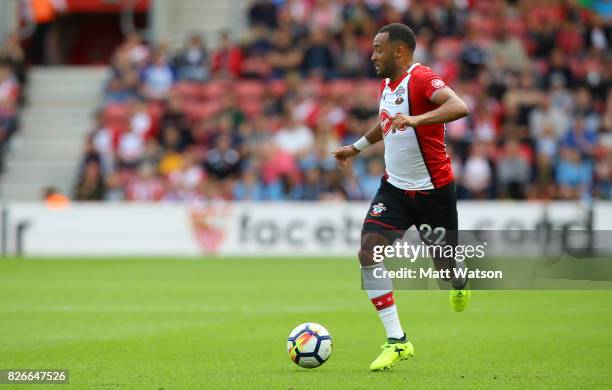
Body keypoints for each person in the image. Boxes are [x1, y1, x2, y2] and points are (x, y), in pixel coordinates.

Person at [331, 23, 470, 372]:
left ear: (399, 51)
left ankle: (458, 279)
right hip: (394, 189)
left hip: (433, 192)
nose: (372, 54)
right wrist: (357, 147)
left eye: (378, 48)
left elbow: (459, 106)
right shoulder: (388, 85)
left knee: (445, 267)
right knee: (368, 251)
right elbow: (387, 122)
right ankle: (398, 340)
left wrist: (417, 118)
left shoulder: (421, 79)